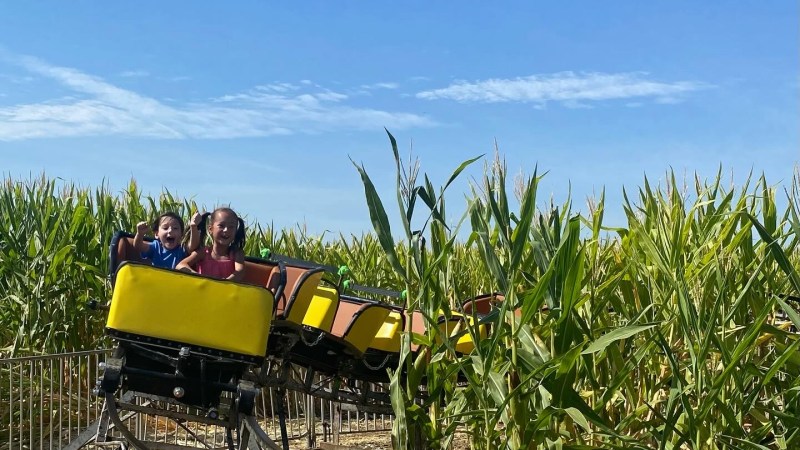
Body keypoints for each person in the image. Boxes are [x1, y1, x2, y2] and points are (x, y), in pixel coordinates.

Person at [176, 207, 246, 281]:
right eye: (221, 226)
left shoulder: (236, 254)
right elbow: (180, 266)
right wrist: (199, 277)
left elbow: (240, 272)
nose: (226, 230)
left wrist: (223, 283)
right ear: (210, 229)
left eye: (231, 227)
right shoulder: (203, 252)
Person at [132, 212, 202, 269]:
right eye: (165, 228)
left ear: (181, 234)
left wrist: (193, 226)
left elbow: (193, 246)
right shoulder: (155, 247)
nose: (170, 230)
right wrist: (140, 234)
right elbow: (138, 246)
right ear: (157, 234)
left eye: (175, 228)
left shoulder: (181, 249)